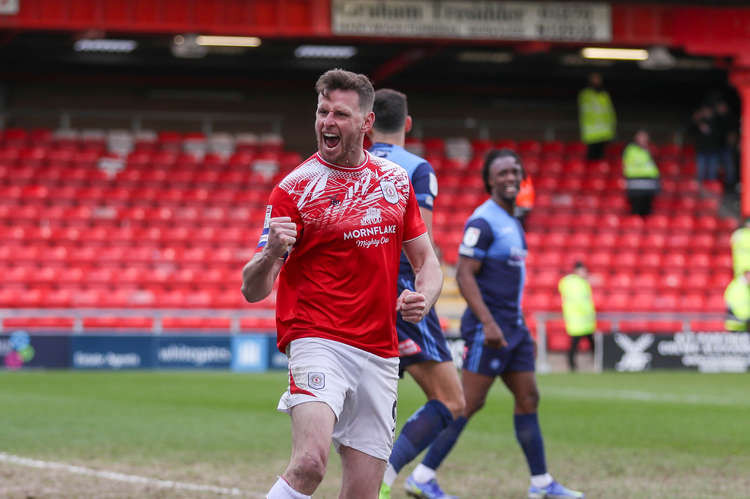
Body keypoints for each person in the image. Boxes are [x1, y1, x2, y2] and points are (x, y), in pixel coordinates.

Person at [242, 69, 443, 499]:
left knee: (362, 493)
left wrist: (423, 297)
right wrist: (271, 252)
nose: (327, 122)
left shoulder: (394, 182)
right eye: (322, 111)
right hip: (318, 339)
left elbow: (428, 262)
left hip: (379, 350)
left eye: (340, 114)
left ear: (367, 123)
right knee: (310, 463)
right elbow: (253, 289)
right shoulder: (294, 189)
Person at [413, 149, 584, 499]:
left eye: (515, 171)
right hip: (488, 331)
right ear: (490, 180)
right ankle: (422, 476)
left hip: (513, 329)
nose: (511, 177)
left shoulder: (514, 220)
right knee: (465, 404)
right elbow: (464, 274)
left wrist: (518, 327)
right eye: (503, 172)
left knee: (529, 396)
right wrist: (490, 324)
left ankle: (540, 484)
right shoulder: (483, 221)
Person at [367, 89, 465, 499]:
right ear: (407, 124)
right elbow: (415, 243)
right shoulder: (417, 169)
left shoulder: (351, 164)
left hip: (357, 294)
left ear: (368, 123)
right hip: (402, 296)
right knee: (452, 400)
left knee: (367, 403)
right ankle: (385, 476)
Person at [558, 261, 596, 372]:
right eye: (582, 270)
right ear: (576, 271)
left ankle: (596, 362)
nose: (584, 273)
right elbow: (580, 302)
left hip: (584, 321)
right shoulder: (575, 283)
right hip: (578, 320)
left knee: (589, 344)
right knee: (575, 344)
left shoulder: (580, 283)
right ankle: (572, 365)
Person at [578, 72, 616, 162]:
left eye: (598, 79)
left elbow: (610, 112)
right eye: (594, 79)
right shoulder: (585, 94)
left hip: (604, 131)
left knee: (601, 158)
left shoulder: (604, 95)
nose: (597, 81)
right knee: (591, 157)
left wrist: (612, 126)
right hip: (591, 132)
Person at [622, 129, 660, 217]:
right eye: (641, 136)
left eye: (645, 137)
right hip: (635, 184)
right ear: (636, 138)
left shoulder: (650, 149)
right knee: (636, 210)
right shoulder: (631, 149)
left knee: (647, 211)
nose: (643, 139)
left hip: (649, 185)